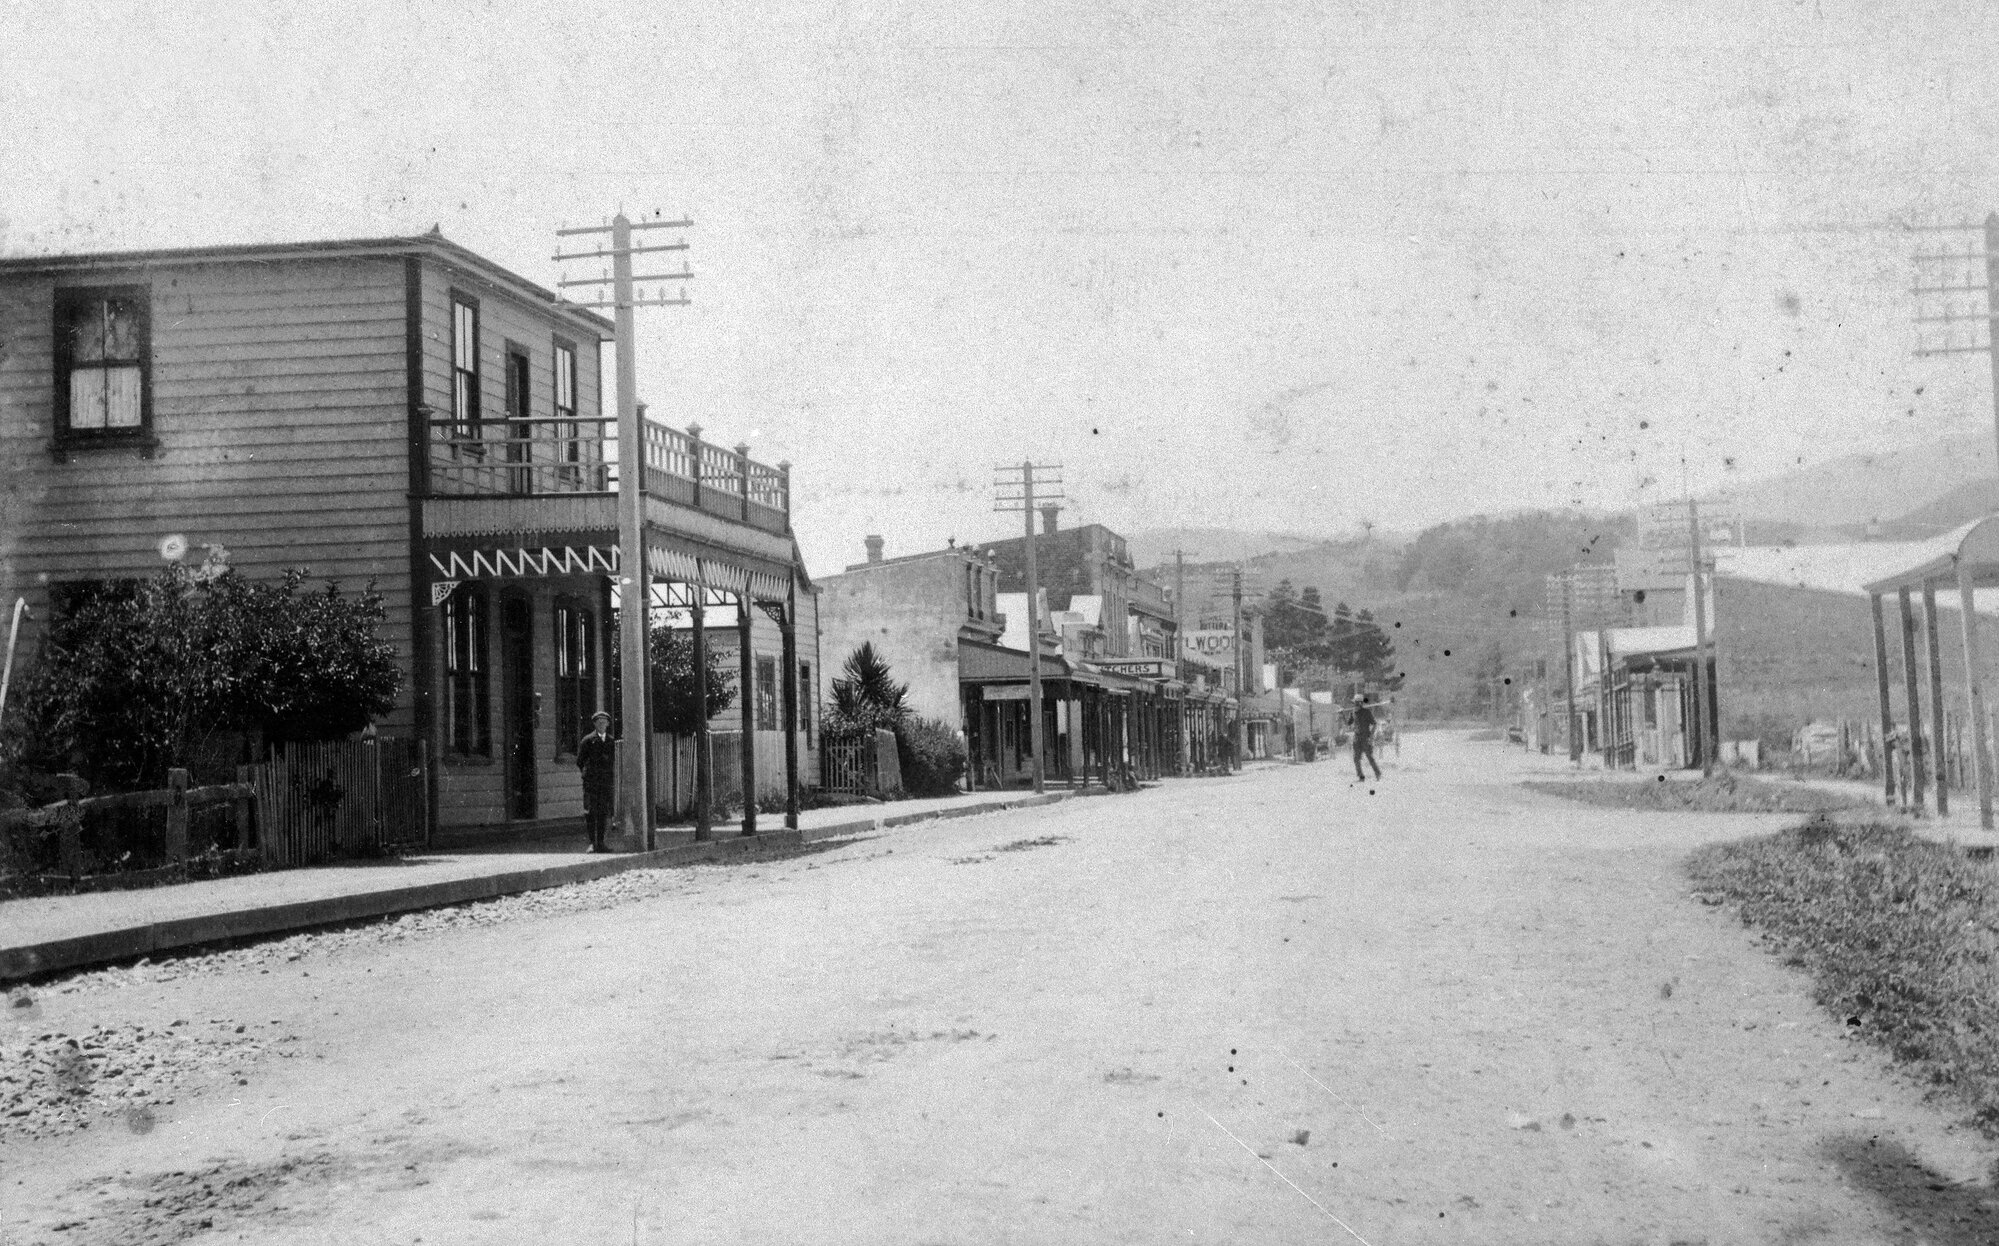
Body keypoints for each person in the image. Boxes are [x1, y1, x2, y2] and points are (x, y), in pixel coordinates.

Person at [577, 710, 617, 853]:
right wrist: (588, 774)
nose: (601, 725)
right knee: (591, 812)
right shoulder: (587, 740)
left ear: (607, 724)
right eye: (599, 722)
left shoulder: (611, 741)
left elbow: (612, 761)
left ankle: (601, 843)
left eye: (604, 722)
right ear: (594, 724)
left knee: (603, 812)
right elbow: (580, 761)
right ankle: (593, 843)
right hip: (591, 784)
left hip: (605, 783)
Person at [1348, 691, 1382, 782]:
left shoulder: (1367, 712)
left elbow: (1374, 724)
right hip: (1356, 738)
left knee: (1369, 757)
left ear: (1360, 703)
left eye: (1355, 703)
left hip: (1365, 738)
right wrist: (1341, 715)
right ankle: (1361, 776)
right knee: (1356, 758)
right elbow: (1348, 723)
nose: (1354, 704)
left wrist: (1371, 737)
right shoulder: (1353, 713)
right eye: (1354, 703)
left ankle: (1378, 773)